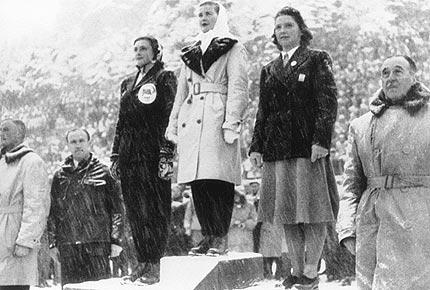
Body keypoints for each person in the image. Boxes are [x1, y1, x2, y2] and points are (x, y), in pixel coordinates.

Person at [249, 6, 338, 290]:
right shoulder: (269, 70)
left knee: (314, 212)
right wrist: (256, 147)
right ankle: (297, 270)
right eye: (278, 27)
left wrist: (321, 141)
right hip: (277, 151)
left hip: (307, 148)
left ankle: (312, 271)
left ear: (301, 29)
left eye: (288, 25)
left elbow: (327, 102)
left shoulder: (316, 60)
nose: (283, 31)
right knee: (286, 213)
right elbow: (263, 111)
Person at [337, 55, 430, 289]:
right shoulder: (361, 125)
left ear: (413, 77)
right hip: (373, 220)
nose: (390, 78)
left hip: (420, 219)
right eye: (385, 73)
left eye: (398, 71)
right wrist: (347, 228)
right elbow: (351, 183)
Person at [165, 0, 248, 256]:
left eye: (208, 13)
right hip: (192, 117)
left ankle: (220, 235)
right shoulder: (190, 51)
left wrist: (231, 121)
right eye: (200, 14)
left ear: (218, 16)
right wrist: (173, 124)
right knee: (198, 182)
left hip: (217, 115)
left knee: (219, 180)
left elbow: (238, 86)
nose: (203, 17)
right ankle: (208, 234)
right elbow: (181, 92)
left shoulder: (232, 47)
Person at [110, 35, 177, 283]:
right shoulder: (127, 83)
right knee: (136, 210)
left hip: (152, 152)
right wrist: (116, 155)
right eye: (135, 48)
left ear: (156, 52)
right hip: (129, 155)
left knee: (156, 209)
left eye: (144, 48)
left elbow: (169, 116)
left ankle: (156, 263)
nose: (138, 52)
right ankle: (142, 261)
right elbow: (121, 121)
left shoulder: (164, 77)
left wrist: (166, 152)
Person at [48, 128, 122, 286]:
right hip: (68, 245)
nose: (78, 145)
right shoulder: (60, 176)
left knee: (98, 287)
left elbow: (117, 209)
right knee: (71, 288)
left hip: (97, 244)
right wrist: (52, 243)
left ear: (89, 143)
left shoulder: (104, 173)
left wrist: (116, 240)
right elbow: (53, 212)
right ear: (68, 145)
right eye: (73, 142)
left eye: (81, 141)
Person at [0, 119, 50, 290]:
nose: (1, 133)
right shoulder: (2, 161)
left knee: (13, 284)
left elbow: (37, 205)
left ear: (20, 134)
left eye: (6, 129)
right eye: (0, 129)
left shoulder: (31, 161)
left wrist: (26, 241)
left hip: (14, 235)